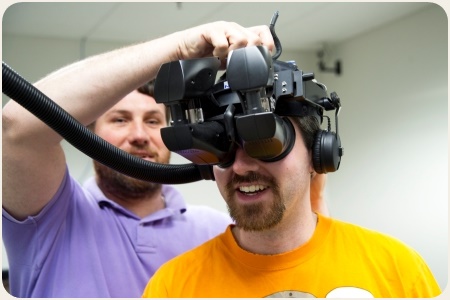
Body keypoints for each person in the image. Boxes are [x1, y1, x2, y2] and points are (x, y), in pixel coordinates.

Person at [2, 21, 329, 298]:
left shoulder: (215, 228)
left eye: (154, 121)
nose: (140, 134)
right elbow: (16, 128)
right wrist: (179, 49)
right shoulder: (50, 218)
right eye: (119, 119)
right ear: (89, 133)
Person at [142, 105, 442, 296]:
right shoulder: (173, 286)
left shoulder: (397, 269)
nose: (241, 166)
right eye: (225, 148)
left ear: (317, 157)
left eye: (266, 143)